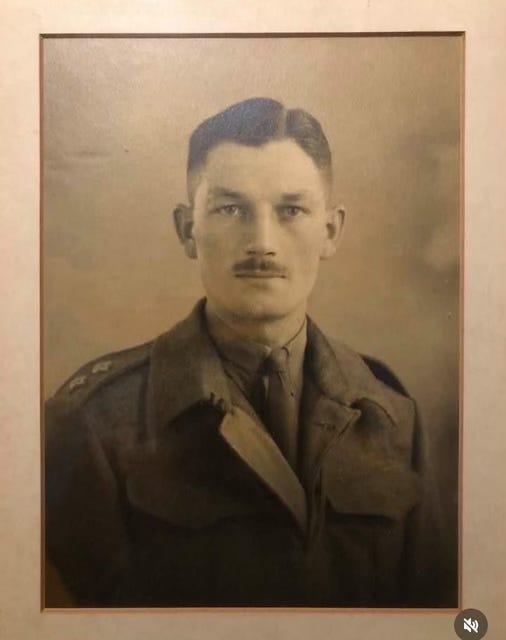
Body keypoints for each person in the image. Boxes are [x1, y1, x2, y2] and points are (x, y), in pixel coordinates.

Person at [45, 97, 449, 608]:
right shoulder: (93, 423)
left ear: (330, 231)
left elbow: (439, 620)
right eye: (230, 209)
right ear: (188, 230)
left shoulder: (389, 412)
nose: (262, 242)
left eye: (291, 210)